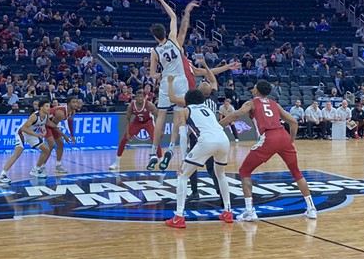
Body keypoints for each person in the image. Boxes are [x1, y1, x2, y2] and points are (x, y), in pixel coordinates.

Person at [219, 80, 317, 221]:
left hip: (269, 138)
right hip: (283, 136)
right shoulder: (274, 104)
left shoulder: (251, 103)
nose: (252, 89)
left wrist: (218, 125)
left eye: (254, 87)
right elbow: (293, 122)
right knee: (296, 172)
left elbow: (235, 115)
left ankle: (249, 211)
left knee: (244, 171)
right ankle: (311, 209)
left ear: (257, 90)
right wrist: (290, 141)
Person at [164, 83, 233, 228]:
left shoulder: (185, 110)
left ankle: (179, 216)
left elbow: (183, 136)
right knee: (221, 175)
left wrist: (183, 159)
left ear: (187, 101)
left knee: (182, 175)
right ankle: (228, 211)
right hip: (224, 140)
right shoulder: (208, 108)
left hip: (206, 141)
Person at [146, 0, 195, 171]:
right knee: (178, 116)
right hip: (180, 81)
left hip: (166, 82)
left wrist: (163, 75)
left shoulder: (154, 51)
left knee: (160, 117)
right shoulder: (174, 40)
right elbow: (174, 16)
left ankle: (153, 153)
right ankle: (171, 150)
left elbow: (152, 75)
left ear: (154, 36)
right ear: (165, 33)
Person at [0, 100, 52, 183]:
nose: (49, 108)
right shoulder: (34, 116)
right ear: (41, 108)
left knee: (46, 150)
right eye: (47, 106)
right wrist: (36, 134)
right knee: (18, 152)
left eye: (49, 106)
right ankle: (2, 175)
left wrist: (58, 126)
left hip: (31, 134)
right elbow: (23, 128)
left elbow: (47, 123)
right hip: (22, 133)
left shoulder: (46, 115)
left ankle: (36, 170)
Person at [109, 91, 161, 170]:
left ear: (144, 98)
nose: (140, 98)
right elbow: (127, 118)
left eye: (141, 97)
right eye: (138, 96)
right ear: (135, 97)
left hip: (148, 121)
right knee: (123, 140)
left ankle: (161, 161)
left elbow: (159, 116)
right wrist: (127, 131)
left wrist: (160, 129)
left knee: (155, 140)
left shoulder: (149, 105)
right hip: (137, 122)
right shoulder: (131, 106)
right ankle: (116, 163)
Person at [38, 96, 80, 175]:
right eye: (73, 102)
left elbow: (70, 122)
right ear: (68, 103)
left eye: (76, 102)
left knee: (60, 143)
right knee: (51, 144)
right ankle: (41, 167)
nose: (75, 104)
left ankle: (58, 165)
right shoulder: (60, 113)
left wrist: (72, 135)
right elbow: (53, 126)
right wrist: (64, 135)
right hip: (45, 124)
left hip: (52, 125)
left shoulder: (72, 111)